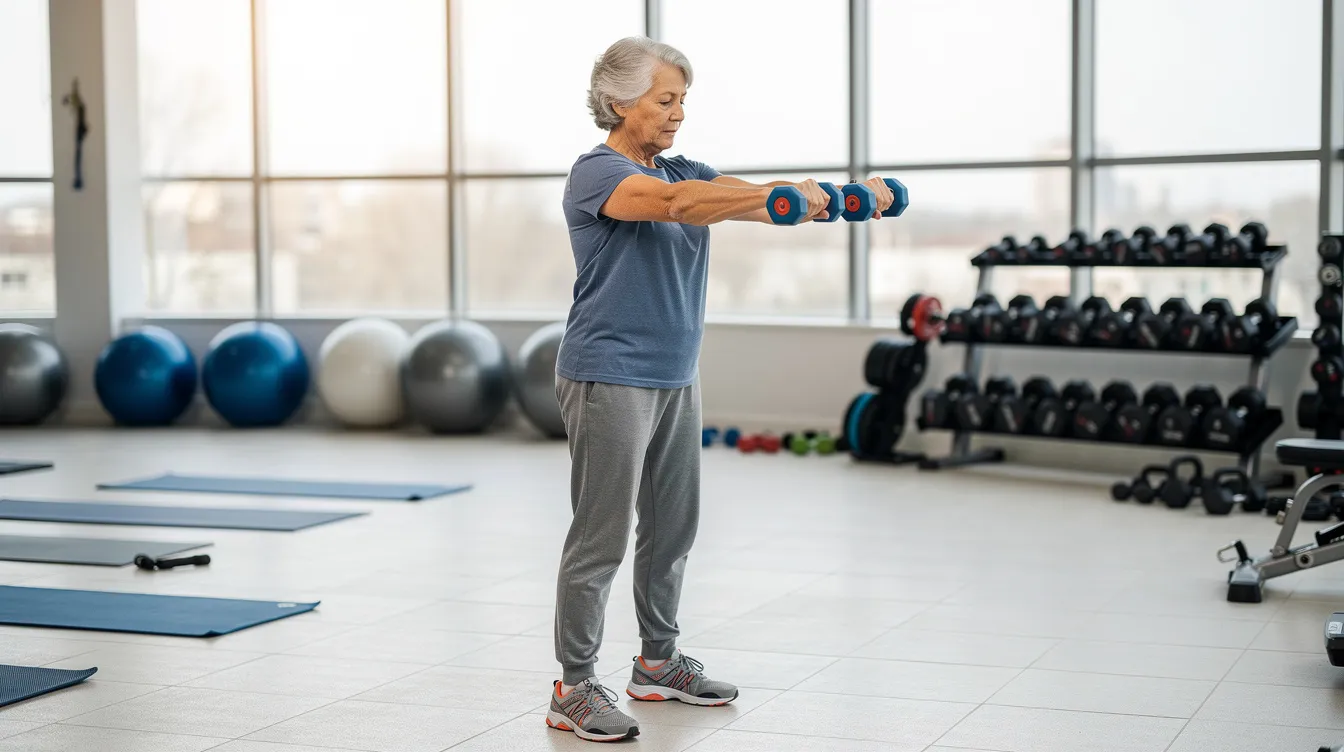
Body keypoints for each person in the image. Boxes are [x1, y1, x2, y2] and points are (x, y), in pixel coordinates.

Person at [547, 36, 898, 743]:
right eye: (664, 99)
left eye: (683, 100)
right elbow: (676, 205)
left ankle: (657, 662)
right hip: (608, 371)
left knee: (674, 529)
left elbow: (734, 199)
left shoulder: (690, 170)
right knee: (602, 536)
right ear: (619, 101)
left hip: (677, 373)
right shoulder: (598, 173)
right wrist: (777, 195)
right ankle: (574, 686)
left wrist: (831, 199)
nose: (678, 114)